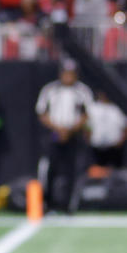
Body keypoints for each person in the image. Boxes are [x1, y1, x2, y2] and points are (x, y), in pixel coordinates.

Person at [35, 58, 93, 211]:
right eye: (66, 73)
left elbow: (86, 114)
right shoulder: (50, 90)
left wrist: (70, 129)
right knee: (50, 168)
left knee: (71, 170)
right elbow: (42, 113)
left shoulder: (82, 91)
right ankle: (47, 202)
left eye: (71, 74)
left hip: (73, 135)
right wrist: (58, 129)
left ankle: (67, 205)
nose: (68, 77)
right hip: (54, 134)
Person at [85, 89, 127, 170]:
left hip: (114, 148)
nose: (103, 97)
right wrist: (88, 138)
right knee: (97, 173)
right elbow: (87, 125)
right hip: (97, 148)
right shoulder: (92, 108)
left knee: (116, 173)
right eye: (101, 94)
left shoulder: (115, 109)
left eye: (105, 95)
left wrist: (121, 141)